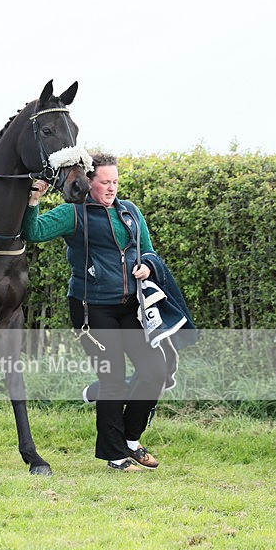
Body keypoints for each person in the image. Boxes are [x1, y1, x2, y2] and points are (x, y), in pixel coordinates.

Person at [22, 152, 167, 472]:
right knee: (112, 377)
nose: (112, 187)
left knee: (155, 370)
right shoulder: (73, 214)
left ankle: (131, 439)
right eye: (105, 182)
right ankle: (115, 456)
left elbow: (149, 252)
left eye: (115, 181)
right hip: (91, 309)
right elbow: (33, 233)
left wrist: (146, 266)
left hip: (131, 307)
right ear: (89, 182)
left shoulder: (130, 212)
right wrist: (33, 200)